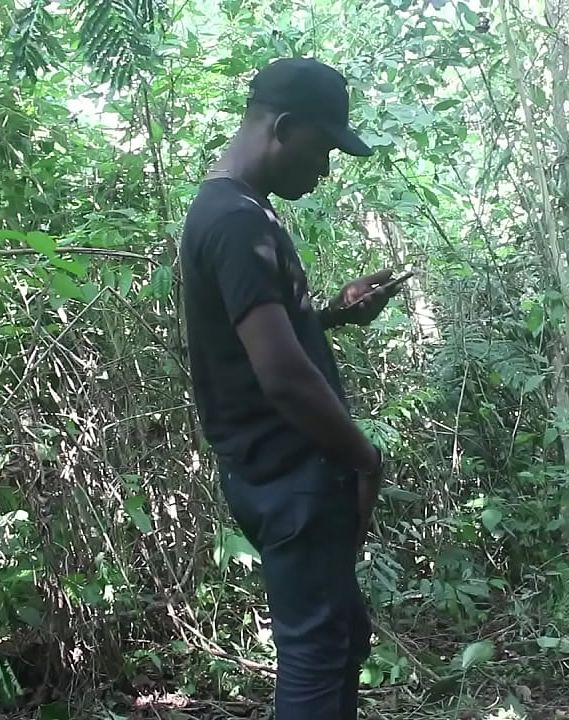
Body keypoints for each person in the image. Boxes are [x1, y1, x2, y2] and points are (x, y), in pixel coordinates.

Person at [177, 57, 406, 720]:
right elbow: (279, 375)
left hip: (283, 473)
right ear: (282, 126)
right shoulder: (236, 222)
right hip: (291, 474)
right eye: (325, 146)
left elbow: (252, 337)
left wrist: (333, 311)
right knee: (315, 651)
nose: (327, 168)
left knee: (339, 637)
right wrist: (365, 457)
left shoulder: (241, 212)